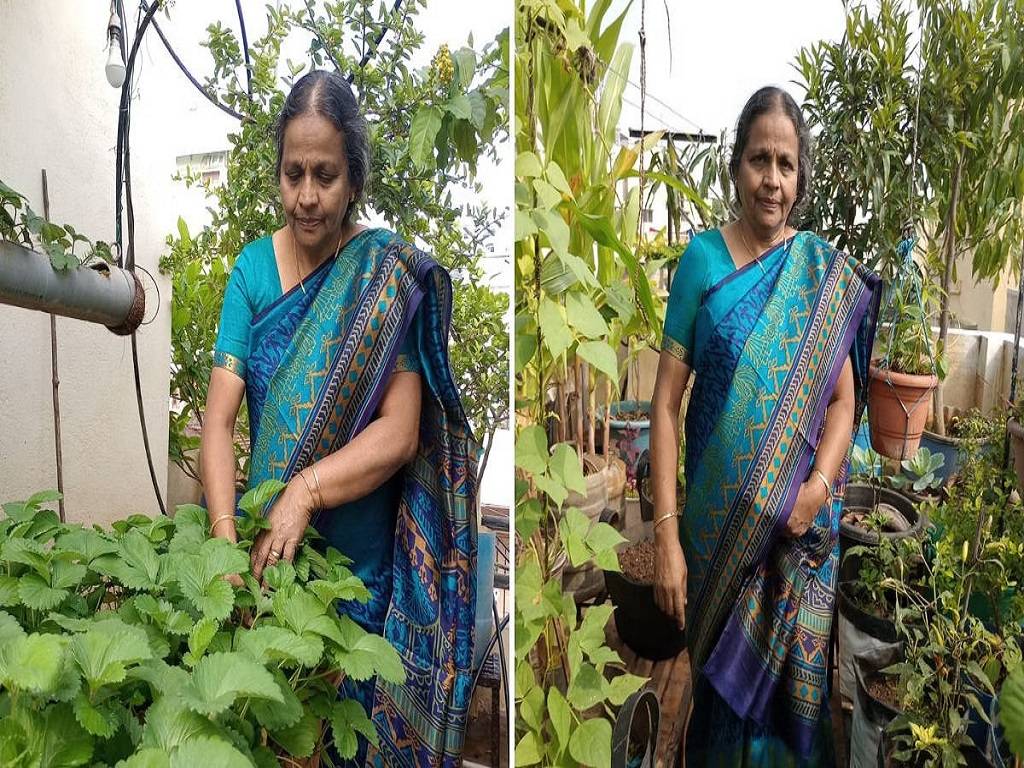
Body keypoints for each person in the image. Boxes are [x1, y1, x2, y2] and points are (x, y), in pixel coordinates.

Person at [199, 69, 478, 767]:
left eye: (325, 175)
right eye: (293, 174)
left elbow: (401, 429)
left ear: (353, 178)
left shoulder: (382, 278)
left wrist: (308, 489)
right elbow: (218, 421)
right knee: (274, 740)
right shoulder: (252, 273)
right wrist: (227, 544)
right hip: (269, 573)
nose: (306, 196)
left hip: (359, 582)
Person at [649, 86, 880, 766]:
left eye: (785, 162)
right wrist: (665, 536)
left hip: (797, 542)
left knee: (791, 716)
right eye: (758, 160)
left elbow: (846, 402)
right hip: (717, 540)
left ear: (800, 175)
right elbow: (664, 405)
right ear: (737, 167)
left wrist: (816, 487)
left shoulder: (815, 274)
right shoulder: (702, 263)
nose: (771, 179)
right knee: (719, 705)